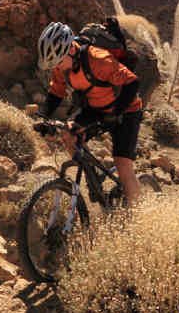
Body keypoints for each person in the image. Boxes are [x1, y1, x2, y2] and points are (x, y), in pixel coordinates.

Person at [36, 21, 143, 206]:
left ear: (71, 49)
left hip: (126, 110)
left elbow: (132, 83)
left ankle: (135, 216)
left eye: (59, 62)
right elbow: (56, 92)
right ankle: (94, 180)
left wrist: (117, 112)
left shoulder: (99, 59)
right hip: (95, 109)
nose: (58, 67)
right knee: (68, 134)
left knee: (123, 164)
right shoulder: (62, 66)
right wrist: (43, 117)